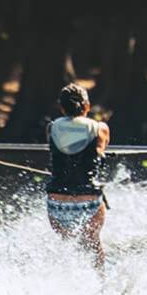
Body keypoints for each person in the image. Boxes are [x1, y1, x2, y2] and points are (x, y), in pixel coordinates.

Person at [46, 82, 110, 270]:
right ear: (87, 107)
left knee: (71, 246)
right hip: (88, 199)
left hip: (56, 203)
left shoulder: (51, 128)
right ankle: (101, 287)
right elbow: (100, 150)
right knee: (93, 243)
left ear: (61, 107)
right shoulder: (100, 128)